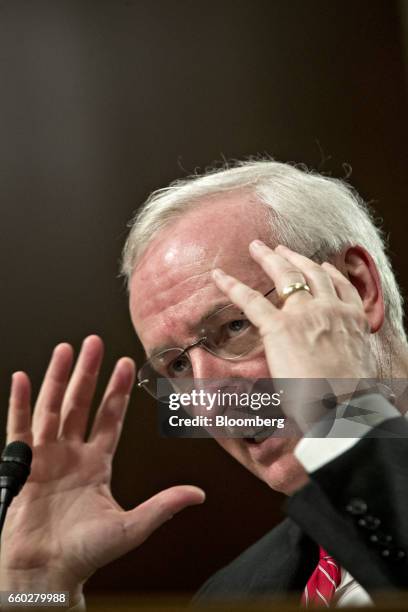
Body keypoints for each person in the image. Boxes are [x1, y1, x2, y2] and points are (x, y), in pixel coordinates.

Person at [1, 159, 408, 609]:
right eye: (176, 367)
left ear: (355, 287)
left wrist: (342, 414)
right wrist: (37, 590)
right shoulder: (233, 593)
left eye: (235, 326)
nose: (209, 403)